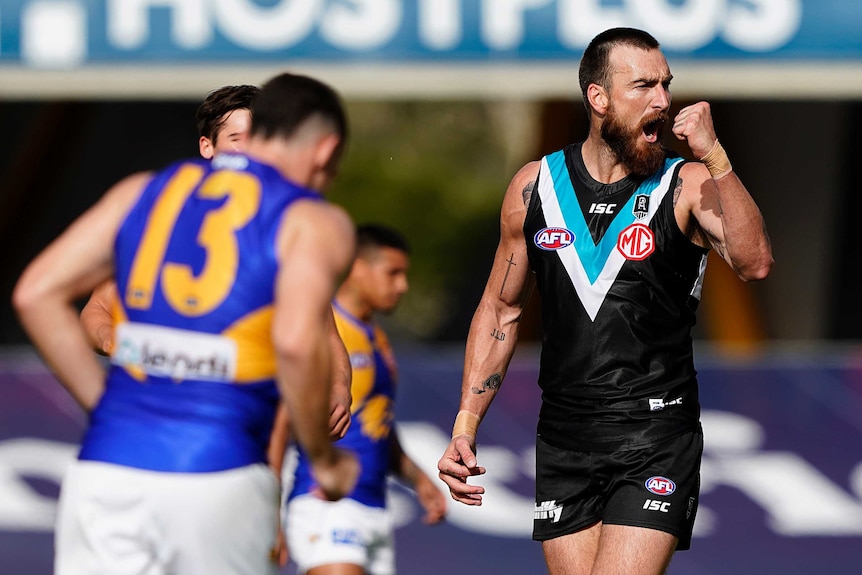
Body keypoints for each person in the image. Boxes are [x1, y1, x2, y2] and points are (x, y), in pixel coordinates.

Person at [436, 27, 773, 575]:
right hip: (565, 436)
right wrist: (465, 426)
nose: (663, 101)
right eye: (644, 86)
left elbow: (754, 261)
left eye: (667, 85)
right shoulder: (534, 187)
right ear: (599, 98)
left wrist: (716, 157)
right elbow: (501, 312)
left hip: (655, 433)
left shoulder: (686, 182)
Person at [13, 72, 361, 575]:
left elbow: (35, 293)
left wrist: (105, 406)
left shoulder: (143, 192)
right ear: (325, 151)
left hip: (107, 470)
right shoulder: (307, 219)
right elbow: (295, 342)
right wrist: (324, 460)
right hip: (218, 472)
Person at [79, 84, 352, 439]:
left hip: (233, 433)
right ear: (207, 146)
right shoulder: (167, 214)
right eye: (237, 138)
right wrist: (116, 343)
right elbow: (96, 307)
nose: (250, 149)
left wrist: (339, 389)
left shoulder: (280, 224)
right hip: (157, 429)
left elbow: (326, 335)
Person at [280, 224, 447, 575]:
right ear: (357, 267)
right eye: (392, 273)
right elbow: (281, 415)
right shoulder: (318, 332)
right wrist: (267, 510)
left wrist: (417, 478)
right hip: (328, 504)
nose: (402, 286)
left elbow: (376, 422)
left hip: (374, 509)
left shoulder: (379, 340)